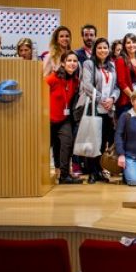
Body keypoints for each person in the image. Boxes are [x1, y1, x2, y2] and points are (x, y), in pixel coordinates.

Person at [78, 37, 119, 184]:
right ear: (95, 50)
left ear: (109, 50)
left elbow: (117, 87)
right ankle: (92, 172)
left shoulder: (112, 66)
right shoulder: (89, 64)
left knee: (103, 143)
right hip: (94, 107)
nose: (103, 50)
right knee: (93, 141)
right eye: (100, 48)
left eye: (105, 48)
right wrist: (102, 99)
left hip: (108, 109)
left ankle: (100, 170)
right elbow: (87, 85)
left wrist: (112, 99)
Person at [46, 51, 81, 184]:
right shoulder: (53, 78)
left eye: (75, 61)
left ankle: (65, 175)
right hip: (48, 119)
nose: (72, 64)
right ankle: (41, 174)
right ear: (62, 63)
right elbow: (40, 92)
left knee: (67, 144)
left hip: (64, 119)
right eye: (69, 61)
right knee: (46, 147)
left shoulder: (75, 80)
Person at [115, 33, 136, 119]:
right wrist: (134, 98)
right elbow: (121, 82)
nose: (131, 45)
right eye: (128, 43)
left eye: (134, 42)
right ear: (124, 45)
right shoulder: (120, 60)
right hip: (127, 101)